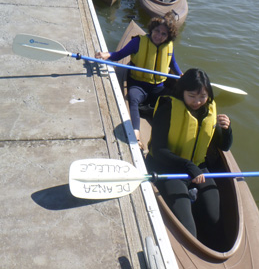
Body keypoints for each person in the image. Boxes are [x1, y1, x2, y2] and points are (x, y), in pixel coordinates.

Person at [145, 68, 233, 250]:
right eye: (192, 96)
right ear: (182, 92)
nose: (197, 102)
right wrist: (188, 166)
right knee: (188, 232)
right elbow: (158, 150)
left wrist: (227, 130)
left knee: (214, 219)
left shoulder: (208, 109)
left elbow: (224, 146)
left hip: (198, 167)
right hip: (168, 168)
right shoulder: (167, 107)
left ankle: (193, 200)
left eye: (202, 97)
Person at [95, 13, 182, 154]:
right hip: (139, 86)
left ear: (168, 37)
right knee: (133, 97)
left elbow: (172, 63)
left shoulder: (169, 46)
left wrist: (180, 75)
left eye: (163, 34)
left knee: (175, 100)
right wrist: (108, 55)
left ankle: (173, 132)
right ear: (152, 29)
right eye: (157, 31)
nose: (158, 36)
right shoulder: (138, 42)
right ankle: (136, 132)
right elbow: (119, 55)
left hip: (158, 88)